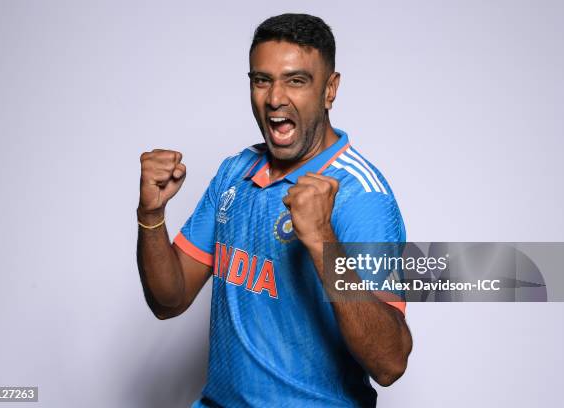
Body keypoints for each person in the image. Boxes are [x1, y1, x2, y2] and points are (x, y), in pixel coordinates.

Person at [136, 13, 412, 407]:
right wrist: (151, 216)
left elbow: (390, 363)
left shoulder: (362, 196)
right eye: (261, 80)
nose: (275, 98)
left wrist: (321, 242)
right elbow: (168, 301)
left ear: (330, 90)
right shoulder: (236, 172)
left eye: (296, 81)